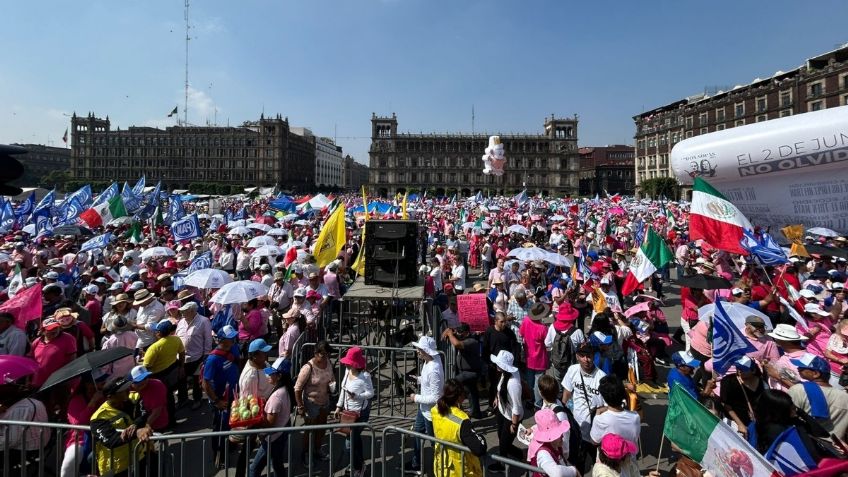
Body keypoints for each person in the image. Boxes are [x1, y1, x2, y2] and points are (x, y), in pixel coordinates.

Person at [89, 376, 154, 477]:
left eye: (127, 387)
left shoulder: (134, 398)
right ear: (110, 397)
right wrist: (136, 432)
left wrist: (135, 425)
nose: (128, 391)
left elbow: (145, 414)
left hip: (139, 457)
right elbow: (111, 440)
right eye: (122, 390)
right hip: (116, 468)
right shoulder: (98, 418)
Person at [561, 342, 606, 473]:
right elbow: (567, 393)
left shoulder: (601, 377)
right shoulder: (572, 370)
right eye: (583, 355)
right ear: (577, 356)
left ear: (594, 356)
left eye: (589, 356)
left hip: (594, 433)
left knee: (598, 465)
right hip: (576, 429)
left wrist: (598, 411)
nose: (586, 359)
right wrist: (564, 415)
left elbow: (609, 407)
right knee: (577, 464)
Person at [202, 325, 240, 469]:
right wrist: (216, 401)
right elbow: (205, 383)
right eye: (231, 338)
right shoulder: (213, 359)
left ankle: (229, 446)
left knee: (231, 423)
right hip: (220, 400)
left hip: (233, 395)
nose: (234, 340)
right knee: (220, 428)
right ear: (223, 340)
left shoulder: (234, 348)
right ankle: (219, 455)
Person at [431, 378, 486, 477]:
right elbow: (479, 448)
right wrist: (481, 438)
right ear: (459, 398)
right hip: (459, 471)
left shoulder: (436, 409)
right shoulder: (462, 421)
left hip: (442, 466)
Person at [406, 335, 445, 473]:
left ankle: (441, 468)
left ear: (427, 351)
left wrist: (416, 397)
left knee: (435, 443)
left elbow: (436, 397)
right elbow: (427, 381)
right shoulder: (428, 361)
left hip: (431, 414)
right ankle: (416, 463)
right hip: (424, 410)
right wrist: (418, 379)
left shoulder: (434, 369)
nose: (417, 351)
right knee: (417, 433)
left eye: (420, 349)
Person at [334, 347, 375, 477]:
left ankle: (358, 466)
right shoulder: (347, 371)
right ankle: (358, 464)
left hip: (359, 414)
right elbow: (343, 390)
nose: (346, 363)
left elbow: (370, 393)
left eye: (348, 362)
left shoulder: (365, 376)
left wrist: (357, 396)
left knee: (349, 443)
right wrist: (338, 406)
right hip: (348, 412)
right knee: (354, 440)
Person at [248, 357, 293, 477]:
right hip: (281, 433)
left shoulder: (277, 397)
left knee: (253, 469)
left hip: (273, 438)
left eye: (271, 374)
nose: (267, 376)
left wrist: (253, 421)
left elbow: (270, 423)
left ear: (279, 376)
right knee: (277, 463)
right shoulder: (285, 389)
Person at [787, 353, 848, 440]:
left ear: (816, 373)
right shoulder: (845, 397)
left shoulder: (798, 389)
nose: (798, 369)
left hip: (806, 443)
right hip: (834, 450)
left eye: (802, 368)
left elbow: (787, 416)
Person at [294, 340, 336, 465]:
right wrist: (300, 406)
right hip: (311, 404)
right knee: (310, 430)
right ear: (315, 353)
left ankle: (317, 450)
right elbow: (297, 388)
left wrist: (332, 386)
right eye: (322, 354)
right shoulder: (308, 368)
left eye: (326, 354)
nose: (324, 357)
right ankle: (306, 453)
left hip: (325, 401)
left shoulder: (328, 362)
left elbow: (332, 377)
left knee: (321, 428)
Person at [61, 370, 108, 477]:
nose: (104, 383)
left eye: (104, 380)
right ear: (88, 384)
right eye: (100, 381)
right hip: (80, 440)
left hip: (102, 437)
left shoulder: (105, 398)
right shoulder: (76, 400)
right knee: (68, 466)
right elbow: (78, 423)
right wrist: (92, 403)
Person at [754, 389, 822, 460]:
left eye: (792, 404)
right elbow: (809, 452)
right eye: (789, 407)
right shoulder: (775, 430)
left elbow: (820, 433)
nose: (794, 408)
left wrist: (801, 412)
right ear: (778, 411)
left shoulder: (789, 420)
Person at [143, 319, 185, 429]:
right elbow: (182, 353)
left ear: (159, 333)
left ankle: (161, 423)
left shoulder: (154, 347)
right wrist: (181, 367)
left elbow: (147, 366)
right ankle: (172, 419)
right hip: (172, 372)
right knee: (169, 396)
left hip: (158, 377)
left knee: (159, 401)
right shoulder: (176, 339)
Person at [489, 350, 523, 472]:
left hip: (511, 417)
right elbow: (500, 387)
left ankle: (502, 466)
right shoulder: (505, 373)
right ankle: (520, 455)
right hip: (503, 412)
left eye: (499, 363)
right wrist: (497, 398)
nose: (496, 365)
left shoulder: (513, 383)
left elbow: (517, 407)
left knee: (504, 444)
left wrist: (514, 424)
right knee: (502, 439)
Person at [175, 301, 213, 410]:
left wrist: (206, 355)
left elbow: (208, 339)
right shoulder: (181, 322)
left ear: (192, 311)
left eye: (184, 311)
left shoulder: (203, 321)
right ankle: (183, 399)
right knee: (181, 380)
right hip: (182, 357)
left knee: (197, 380)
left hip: (197, 357)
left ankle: (197, 399)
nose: (182, 313)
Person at [441, 323, 483, 418]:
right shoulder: (463, 337)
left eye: (461, 332)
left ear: (467, 333)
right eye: (458, 332)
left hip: (471, 372)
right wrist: (448, 330)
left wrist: (450, 334)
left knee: (453, 383)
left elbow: (456, 344)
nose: (458, 334)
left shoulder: (472, 341)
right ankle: (476, 412)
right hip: (464, 371)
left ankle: (449, 407)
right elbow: (447, 334)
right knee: (472, 392)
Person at [590, 375, 641, 449]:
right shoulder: (635, 417)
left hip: (607, 459)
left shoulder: (600, 419)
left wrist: (597, 413)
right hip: (629, 458)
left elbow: (594, 441)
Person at [720, 356, 765, 438]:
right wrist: (740, 424)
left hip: (759, 423)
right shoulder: (728, 382)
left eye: (744, 369)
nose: (740, 371)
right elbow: (726, 405)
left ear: (753, 370)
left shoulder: (762, 382)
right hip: (737, 423)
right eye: (738, 368)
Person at [483, 312, 518, 412]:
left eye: (505, 322)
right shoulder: (489, 331)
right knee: (493, 385)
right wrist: (488, 362)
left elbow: (514, 348)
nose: (504, 324)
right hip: (493, 365)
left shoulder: (509, 333)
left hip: (506, 366)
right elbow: (485, 348)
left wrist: (514, 362)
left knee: (504, 386)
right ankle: (492, 405)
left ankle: (504, 405)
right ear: (496, 321)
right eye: (501, 322)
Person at [527, 408, 578, 477]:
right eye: (558, 433)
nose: (562, 436)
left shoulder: (554, 443)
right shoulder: (543, 453)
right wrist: (574, 471)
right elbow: (557, 473)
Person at [30, 317, 77, 389]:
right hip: (38, 383)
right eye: (50, 329)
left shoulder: (68, 338)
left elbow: (72, 360)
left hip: (58, 383)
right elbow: (31, 362)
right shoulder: (37, 342)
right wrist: (28, 380)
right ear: (43, 331)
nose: (54, 330)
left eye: (56, 327)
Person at [546, 300, 584, 385]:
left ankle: (560, 397)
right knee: (571, 385)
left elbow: (547, 344)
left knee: (558, 384)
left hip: (556, 363)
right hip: (572, 365)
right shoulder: (577, 332)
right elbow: (582, 348)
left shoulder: (552, 327)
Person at [520, 302, 551, 406]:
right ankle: (538, 404)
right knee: (539, 383)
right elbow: (547, 343)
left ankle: (530, 399)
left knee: (530, 382)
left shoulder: (526, 320)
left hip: (529, 357)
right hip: (540, 359)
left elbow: (521, 333)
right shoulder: (543, 328)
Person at [128, 365, 170, 432]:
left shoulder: (157, 386)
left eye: (145, 378)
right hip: (138, 422)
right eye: (139, 380)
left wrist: (146, 426)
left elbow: (157, 411)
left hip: (155, 422)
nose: (143, 381)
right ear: (131, 383)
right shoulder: (127, 391)